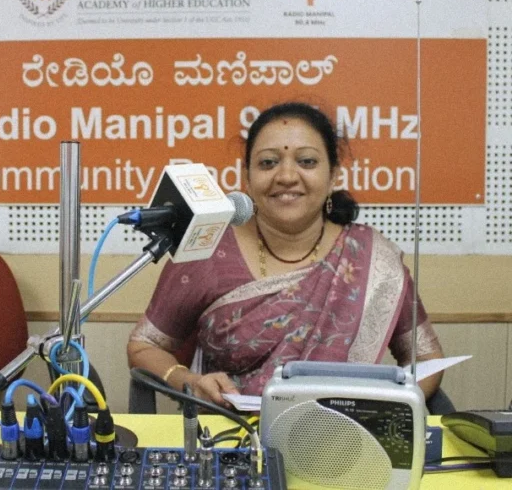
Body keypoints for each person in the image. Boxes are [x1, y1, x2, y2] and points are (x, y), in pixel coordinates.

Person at [127, 101, 445, 408]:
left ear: (334, 175)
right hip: (230, 435)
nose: (287, 176)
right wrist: (188, 380)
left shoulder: (371, 256)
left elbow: (425, 358)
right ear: (247, 177)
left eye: (306, 161)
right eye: (268, 163)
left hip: (345, 435)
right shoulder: (208, 249)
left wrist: (384, 408)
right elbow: (144, 345)